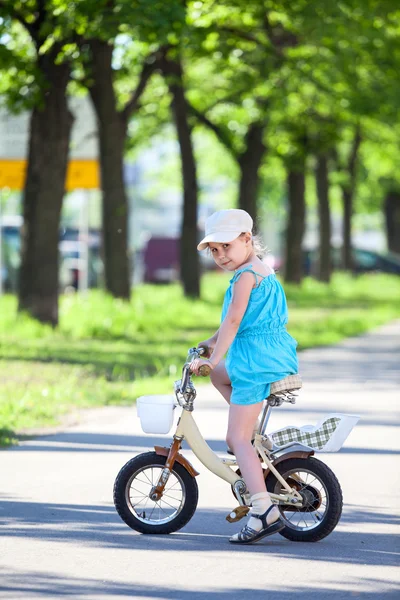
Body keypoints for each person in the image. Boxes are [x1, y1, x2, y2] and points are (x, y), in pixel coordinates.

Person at [190, 208, 298, 545]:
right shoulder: (260, 270)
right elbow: (235, 322)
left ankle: (263, 510)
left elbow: (234, 323)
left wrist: (215, 356)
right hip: (266, 356)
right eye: (214, 250)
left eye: (226, 247)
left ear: (247, 239)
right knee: (219, 377)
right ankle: (250, 430)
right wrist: (209, 345)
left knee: (235, 440)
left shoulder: (245, 277)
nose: (221, 256)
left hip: (255, 363)